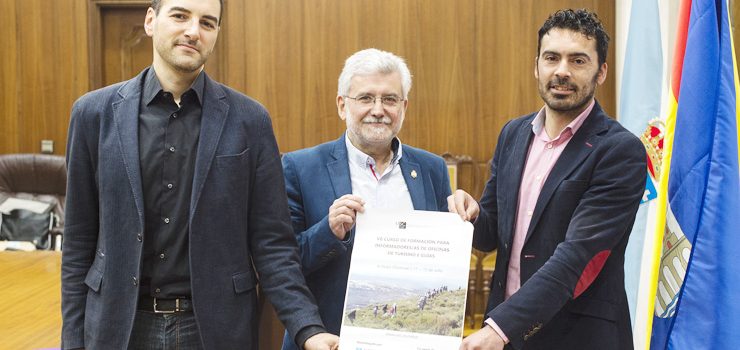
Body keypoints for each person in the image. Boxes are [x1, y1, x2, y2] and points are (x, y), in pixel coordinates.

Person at [61, 0, 338, 349]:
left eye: (208, 23)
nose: (193, 31)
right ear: (151, 21)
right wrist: (71, 341)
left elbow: (273, 244)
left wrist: (307, 328)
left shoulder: (249, 121)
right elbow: (77, 245)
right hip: (119, 327)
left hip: (213, 329)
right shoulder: (93, 114)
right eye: (180, 16)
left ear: (216, 34)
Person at [449, 9, 645, 350]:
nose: (561, 71)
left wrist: (500, 328)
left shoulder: (620, 151)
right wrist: (473, 214)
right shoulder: (513, 134)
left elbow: (577, 256)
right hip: (505, 333)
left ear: (601, 72)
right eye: (551, 58)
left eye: (578, 60)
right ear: (536, 65)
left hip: (575, 338)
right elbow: (491, 234)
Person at [280, 48, 451, 350]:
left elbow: (444, 262)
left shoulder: (431, 169)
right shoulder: (299, 168)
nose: (378, 109)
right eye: (365, 98)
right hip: (328, 340)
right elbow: (281, 265)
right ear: (342, 105)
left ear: (404, 106)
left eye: (389, 99)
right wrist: (328, 231)